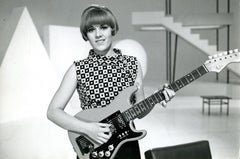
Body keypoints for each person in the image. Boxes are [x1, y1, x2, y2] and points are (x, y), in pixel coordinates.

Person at [47, 4, 175, 159]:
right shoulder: (77, 69)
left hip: (127, 146)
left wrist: (156, 98)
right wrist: (88, 129)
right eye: (91, 29)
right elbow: (53, 111)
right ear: (86, 35)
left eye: (103, 27)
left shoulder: (133, 64)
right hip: (95, 147)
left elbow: (139, 111)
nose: (98, 34)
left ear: (112, 29)